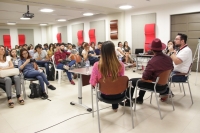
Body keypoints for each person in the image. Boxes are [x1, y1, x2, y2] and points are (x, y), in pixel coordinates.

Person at [119, 38, 174, 106]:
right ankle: (140, 98)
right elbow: (172, 69)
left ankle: (128, 102)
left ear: (151, 49)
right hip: (165, 85)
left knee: (131, 81)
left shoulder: (152, 61)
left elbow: (144, 77)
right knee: (146, 79)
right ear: (161, 48)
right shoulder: (169, 58)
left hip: (156, 86)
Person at [90, 41, 125, 112]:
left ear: (102, 52)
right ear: (113, 51)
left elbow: (93, 83)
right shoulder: (121, 64)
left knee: (108, 86)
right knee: (114, 84)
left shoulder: (97, 65)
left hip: (105, 94)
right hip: (119, 94)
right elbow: (121, 80)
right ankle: (115, 107)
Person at [161, 33, 193, 101]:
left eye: (176, 39)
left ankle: (165, 93)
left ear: (182, 41)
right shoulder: (180, 50)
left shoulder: (186, 51)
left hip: (180, 75)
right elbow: (173, 60)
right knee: (160, 73)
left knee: (160, 77)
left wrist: (172, 51)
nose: (174, 41)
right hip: (175, 72)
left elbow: (176, 62)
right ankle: (167, 92)